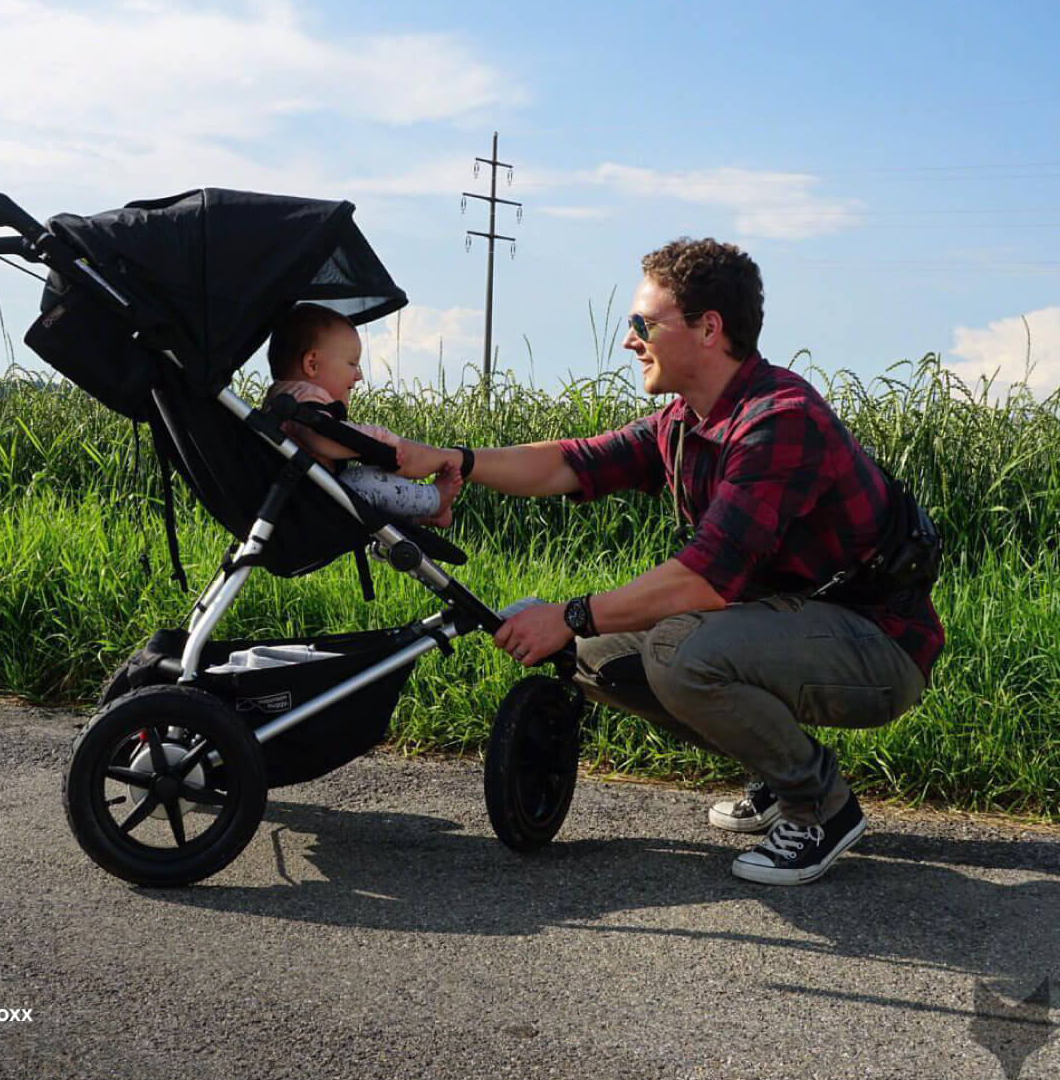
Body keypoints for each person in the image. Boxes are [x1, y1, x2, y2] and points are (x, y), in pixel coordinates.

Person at [397, 238, 944, 885]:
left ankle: (819, 806)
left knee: (680, 655)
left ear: (709, 328)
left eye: (644, 324)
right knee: (583, 657)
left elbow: (704, 579)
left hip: (875, 647)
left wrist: (568, 613)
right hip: (784, 624)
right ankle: (779, 768)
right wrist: (453, 458)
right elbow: (570, 462)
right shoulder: (684, 422)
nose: (630, 340)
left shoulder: (779, 421)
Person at [265, 304, 462, 527]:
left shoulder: (283, 396)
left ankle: (417, 515)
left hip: (298, 497)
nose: (358, 375)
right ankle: (433, 500)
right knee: (361, 481)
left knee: (359, 480)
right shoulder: (303, 398)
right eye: (352, 364)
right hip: (309, 501)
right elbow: (324, 438)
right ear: (312, 364)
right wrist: (380, 439)